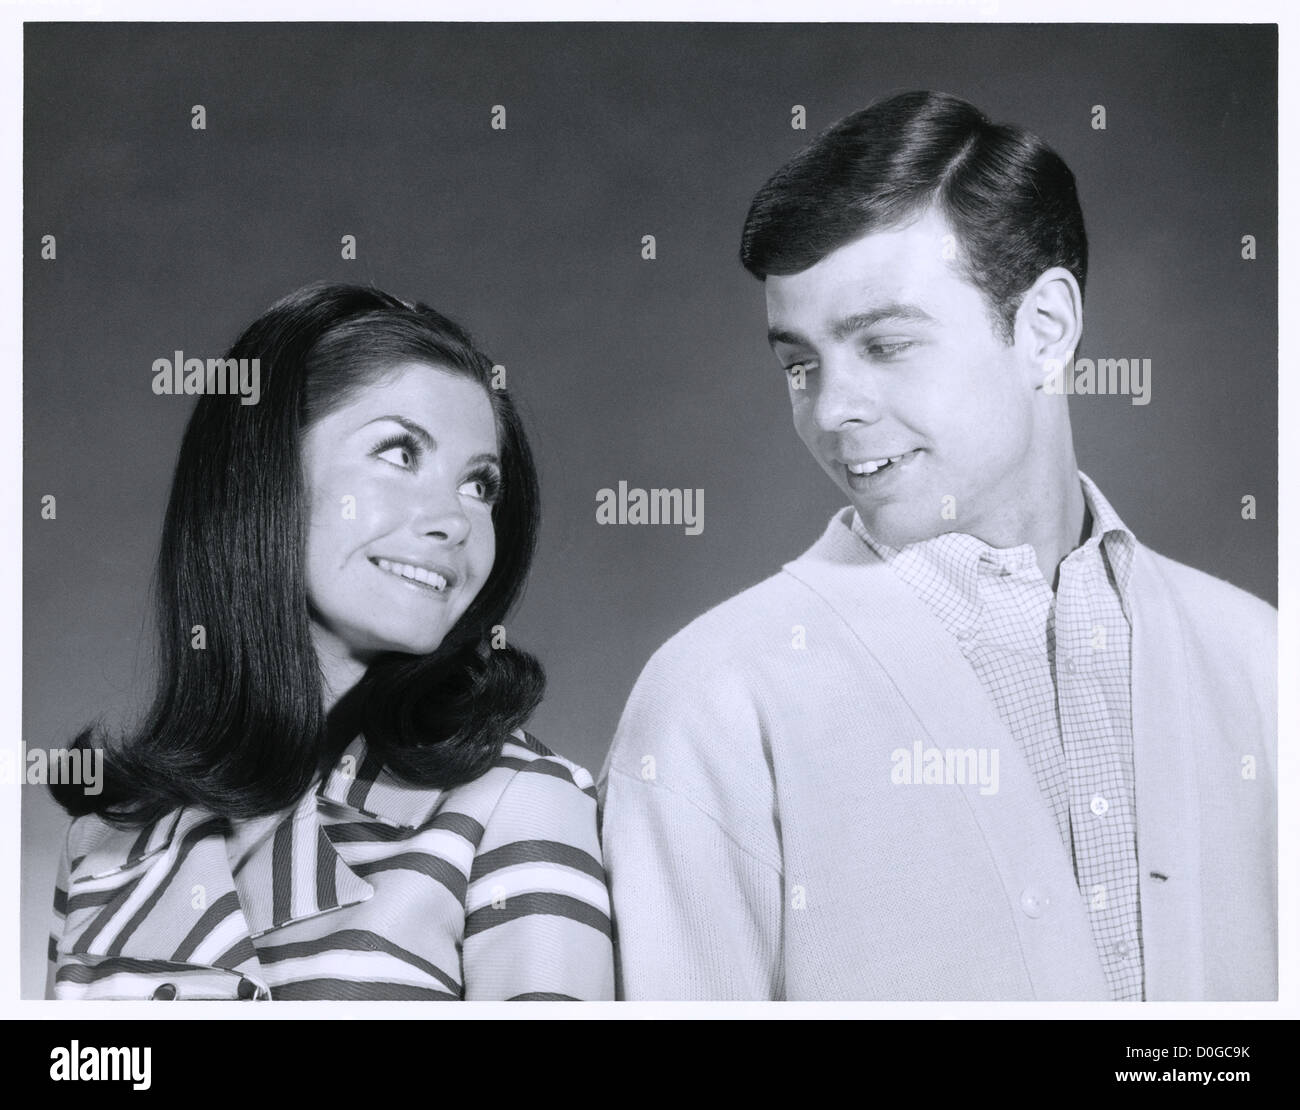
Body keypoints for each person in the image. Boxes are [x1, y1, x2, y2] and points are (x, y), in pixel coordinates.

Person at [599, 90, 1276, 1001]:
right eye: (799, 363)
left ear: (1045, 330)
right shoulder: (713, 701)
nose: (830, 408)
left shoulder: (1263, 664)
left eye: (883, 344)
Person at [47, 283, 614, 1001]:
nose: (455, 520)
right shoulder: (102, 842)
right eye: (401, 451)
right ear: (264, 473)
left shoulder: (521, 803)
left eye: (481, 485)